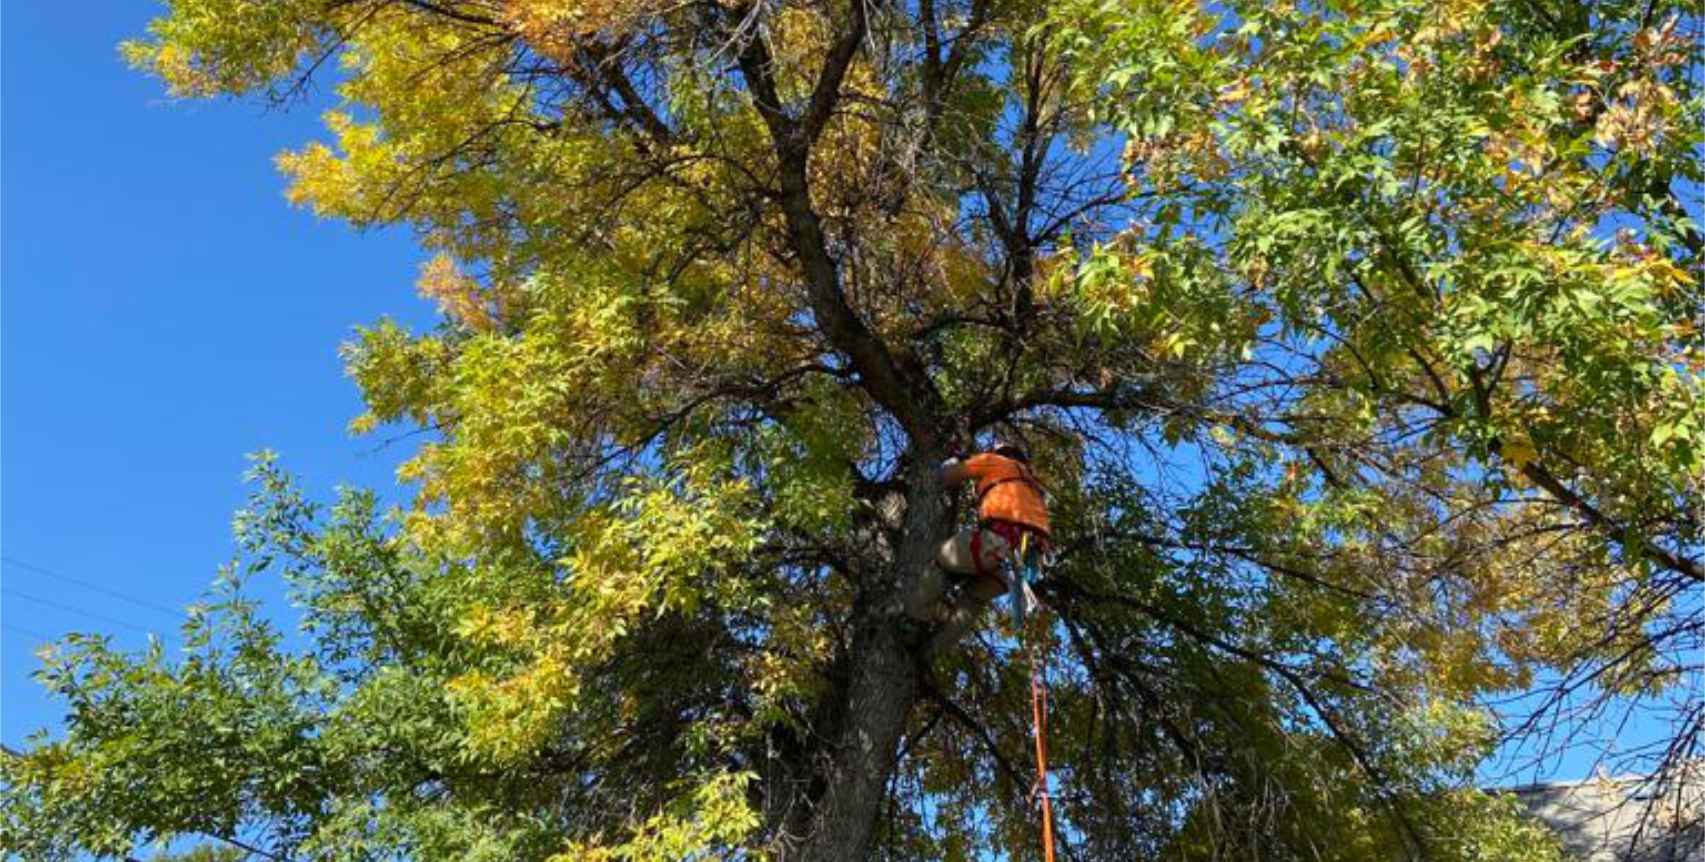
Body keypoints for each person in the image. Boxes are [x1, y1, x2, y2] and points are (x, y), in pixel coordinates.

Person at [932, 442, 1052, 623]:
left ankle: (921, 614)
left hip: (999, 543)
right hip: (1028, 564)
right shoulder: (1033, 486)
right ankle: (938, 645)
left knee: (938, 556)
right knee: (973, 599)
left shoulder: (996, 461)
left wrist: (953, 461)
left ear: (1001, 454)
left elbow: (949, 475)